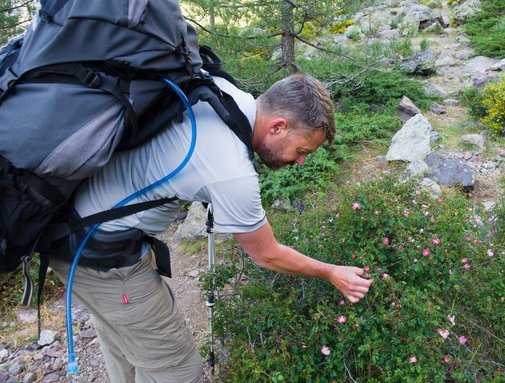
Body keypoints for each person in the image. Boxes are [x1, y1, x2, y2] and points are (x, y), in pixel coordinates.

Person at [48, 73, 373, 383]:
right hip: (102, 255)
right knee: (177, 371)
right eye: (302, 150)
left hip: (71, 226)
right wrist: (332, 272)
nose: (300, 162)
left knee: (126, 343)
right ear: (278, 126)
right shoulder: (232, 170)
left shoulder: (219, 89)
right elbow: (268, 255)